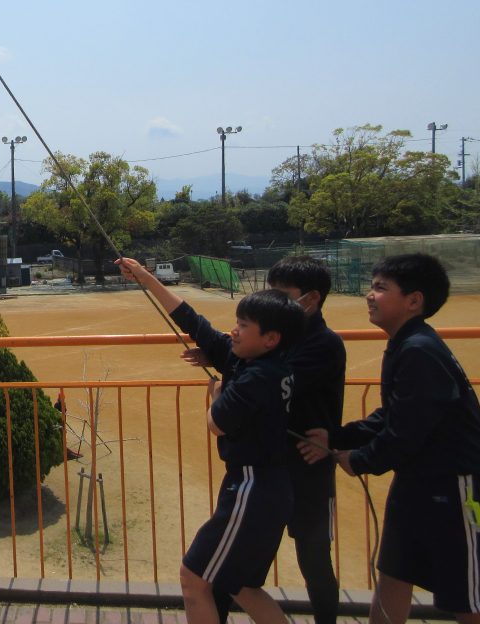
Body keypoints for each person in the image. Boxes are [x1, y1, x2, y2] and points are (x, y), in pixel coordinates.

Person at [117, 258, 303, 624]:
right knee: (241, 585)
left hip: (252, 488)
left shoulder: (255, 376)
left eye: (243, 326)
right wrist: (145, 277)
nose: (234, 331)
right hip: (267, 487)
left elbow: (217, 423)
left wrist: (217, 393)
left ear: (270, 339)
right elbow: (191, 320)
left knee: (193, 578)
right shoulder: (260, 362)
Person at [300, 253, 480, 624]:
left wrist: (360, 459)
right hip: (416, 483)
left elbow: (408, 430)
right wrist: (339, 436)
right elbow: (393, 415)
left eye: (381, 288)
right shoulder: (406, 344)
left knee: (466, 596)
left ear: (414, 301)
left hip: (451, 486)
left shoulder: (418, 350)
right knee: (395, 572)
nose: (370, 295)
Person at [213, 257, 346, 624]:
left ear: (311, 298)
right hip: (269, 466)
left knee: (314, 558)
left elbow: (265, 385)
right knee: (233, 562)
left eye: (283, 294)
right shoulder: (277, 341)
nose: (274, 300)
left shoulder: (322, 343)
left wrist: (228, 373)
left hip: (308, 467)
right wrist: (223, 355)